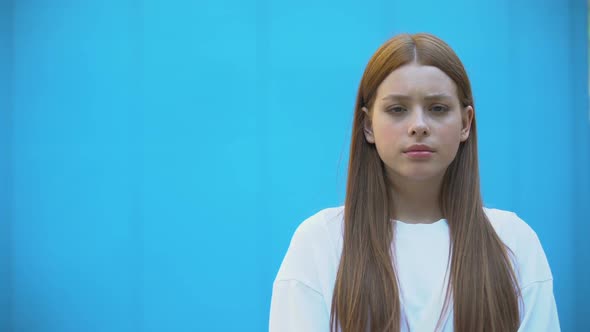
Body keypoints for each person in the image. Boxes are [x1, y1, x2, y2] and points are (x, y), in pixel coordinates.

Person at [268, 33, 560, 332]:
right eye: (397, 109)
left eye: (437, 108)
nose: (418, 125)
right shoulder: (320, 243)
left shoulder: (513, 244)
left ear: (465, 123)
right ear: (368, 125)